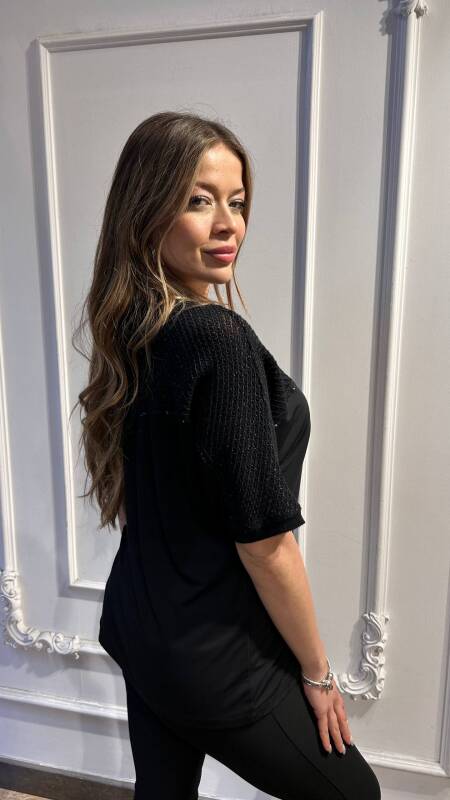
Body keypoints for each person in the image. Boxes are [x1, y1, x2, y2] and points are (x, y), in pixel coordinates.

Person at [72, 111, 381, 800]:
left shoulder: (132, 328)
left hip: (140, 622)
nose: (227, 225)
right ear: (146, 211)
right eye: (197, 200)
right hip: (211, 648)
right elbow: (265, 544)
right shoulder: (217, 339)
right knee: (353, 795)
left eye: (236, 203)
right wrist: (318, 673)